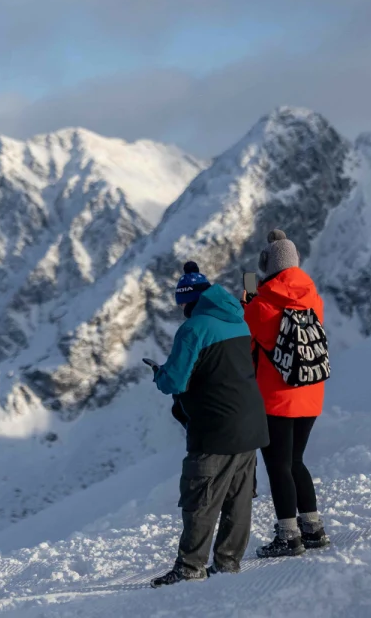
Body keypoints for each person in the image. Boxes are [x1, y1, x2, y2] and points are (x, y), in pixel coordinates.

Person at [149, 261, 270, 587]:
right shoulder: (239, 322)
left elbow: (174, 380)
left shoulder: (193, 328)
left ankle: (190, 567)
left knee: (200, 495)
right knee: (238, 497)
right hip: (251, 424)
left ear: (188, 300)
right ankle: (228, 563)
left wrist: (159, 372)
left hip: (215, 427)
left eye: (181, 304)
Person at [243, 229, 331, 558]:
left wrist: (248, 302)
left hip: (277, 398)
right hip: (311, 393)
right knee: (296, 461)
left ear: (268, 264)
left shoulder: (262, 305)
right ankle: (313, 528)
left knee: (278, 465)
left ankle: (288, 535)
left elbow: (248, 349)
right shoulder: (313, 299)